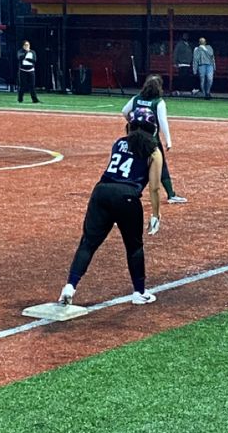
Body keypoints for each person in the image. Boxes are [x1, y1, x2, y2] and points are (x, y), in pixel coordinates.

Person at [58, 109, 162, 308]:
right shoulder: (153, 151)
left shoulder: (118, 143)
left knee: (88, 243)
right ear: (153, 128)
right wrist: (156, 214)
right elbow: (155, 187)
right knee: (134, 247)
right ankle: (139, 292)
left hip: (101, 192)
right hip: (127, 197)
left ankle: (70, 286)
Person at [122, 74, 187, 204]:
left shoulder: (136, 99)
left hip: (134, 138)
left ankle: (129, 191)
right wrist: (168, 140)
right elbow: (163, 122)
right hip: (151, 139)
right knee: (160, 166)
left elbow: (124, 111)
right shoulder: (158, 102)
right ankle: (171, 194)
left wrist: (132, 123)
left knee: (135, 164)